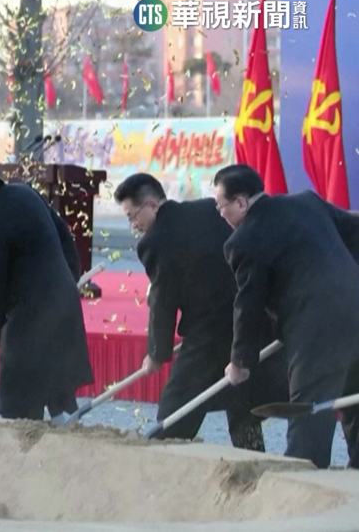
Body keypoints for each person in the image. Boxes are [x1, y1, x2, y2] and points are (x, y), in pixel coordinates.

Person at [114, 172, 285, 450]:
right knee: (240, 395)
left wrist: (157, 353)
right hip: (249, 321)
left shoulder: (153, 242)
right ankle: (252, 454)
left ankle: (162, 455)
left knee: (174, 410)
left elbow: (163, 300)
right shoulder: (208, 208)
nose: (133, 225)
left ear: (152, 205)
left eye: (133, 216)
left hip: (208, 333)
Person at [215, 164, 359, 469]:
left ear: (240, 202)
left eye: (221, 207)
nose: (221, 215)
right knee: (354, 394)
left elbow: (248, 305)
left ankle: (303, 480)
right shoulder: (305, 201)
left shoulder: (243, 241)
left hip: (316, 327)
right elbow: (354, 228)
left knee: (310, 407)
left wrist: (241, 361)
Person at [0, 153, 92, 421]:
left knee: (19, 402)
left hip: (30, 317)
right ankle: (69, 436)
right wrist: (68, 279)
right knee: (57, 387)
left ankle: (25, 450)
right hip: (62, 304)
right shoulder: (25, 192)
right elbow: (64, 235)